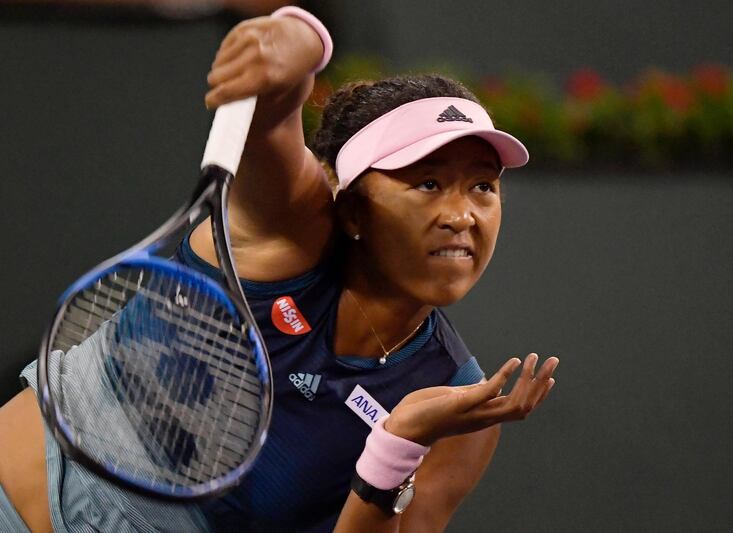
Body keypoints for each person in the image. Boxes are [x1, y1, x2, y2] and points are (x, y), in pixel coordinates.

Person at [0, 7, 559, 532]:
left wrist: (395, 446)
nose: (462, 215)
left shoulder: (458, 400)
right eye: (427, 183)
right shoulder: (294, 229)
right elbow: (270, 118)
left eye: (483, 186)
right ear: (353, 205)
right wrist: (300, 38)